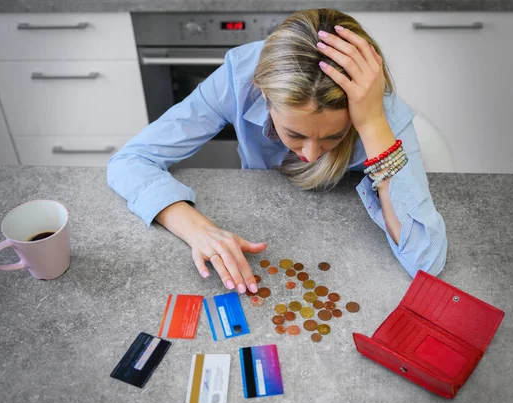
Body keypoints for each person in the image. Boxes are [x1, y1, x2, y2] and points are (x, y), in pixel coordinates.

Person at [107, 8, 447, 295]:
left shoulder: (379, 108)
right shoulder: (238, 78)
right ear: (263, 94)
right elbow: (129, 161)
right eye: (295, 134)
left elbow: (425, 260)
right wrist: (197, 229)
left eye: (334, 136)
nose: (312, 155)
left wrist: (372, 125)